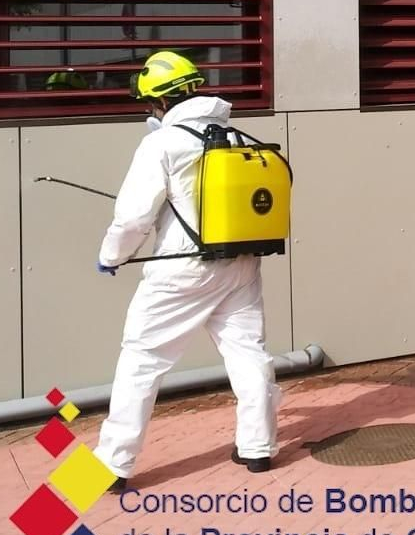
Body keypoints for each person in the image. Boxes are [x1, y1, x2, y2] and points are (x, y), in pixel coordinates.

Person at [93, 51, 281, 489]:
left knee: (142, 359)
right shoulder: (233, 135)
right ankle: (258, 448)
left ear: (158, 101)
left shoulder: (162, 143)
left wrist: (111, 256)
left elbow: (134, 218)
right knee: (248, 352)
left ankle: (110, 466)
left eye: (148, 103)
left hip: (180, 271)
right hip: (241, 263)